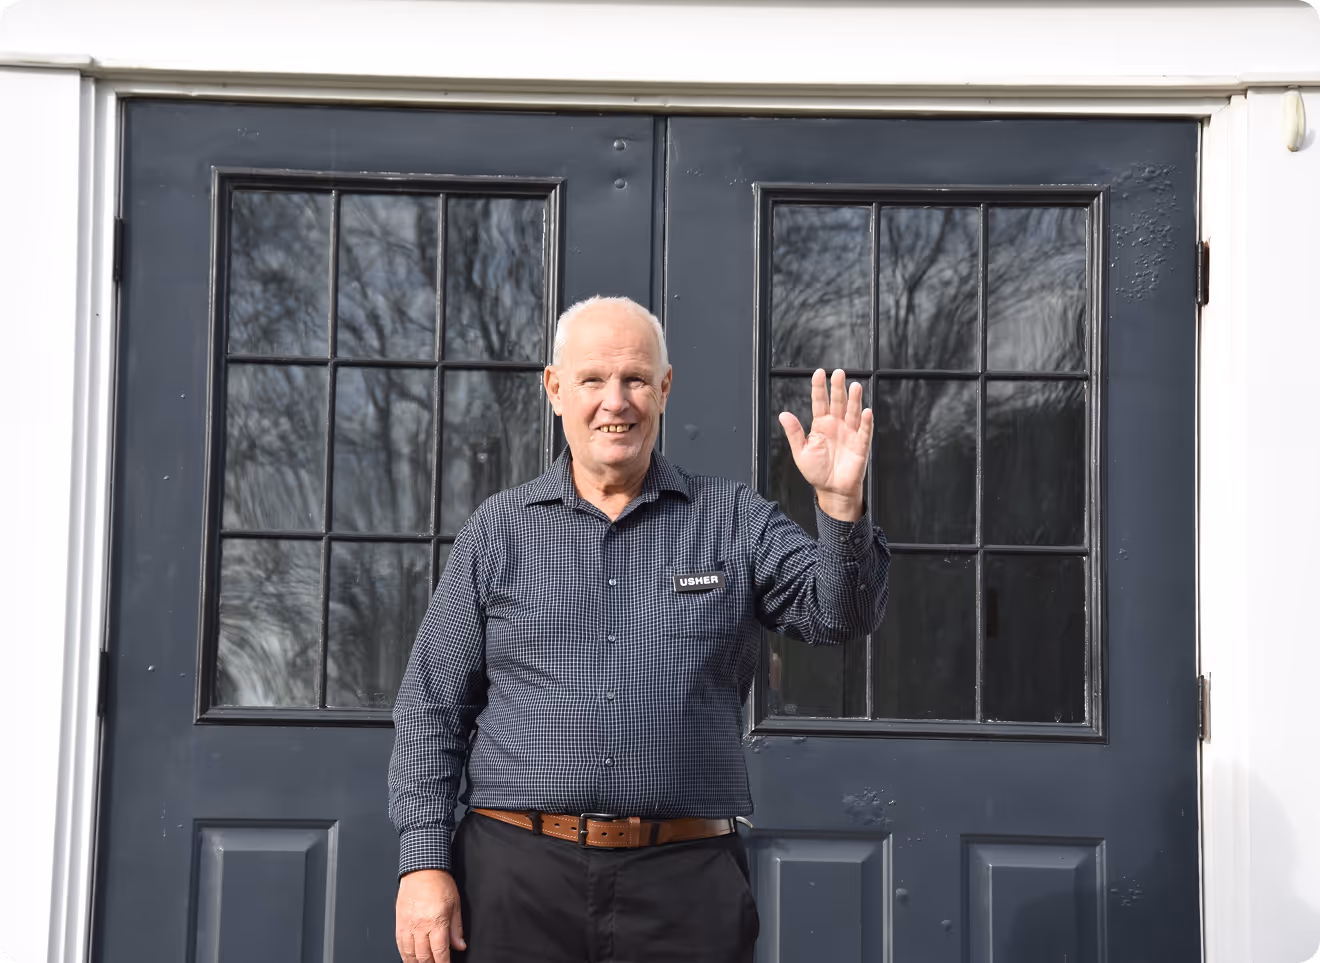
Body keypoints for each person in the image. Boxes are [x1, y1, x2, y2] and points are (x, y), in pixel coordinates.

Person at [389, 295, 890, 963]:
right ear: (555, 388)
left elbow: (840, 615)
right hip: (514, 879)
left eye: (635, 379)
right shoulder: (497, 531)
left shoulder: (733, 520)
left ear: (665, 388)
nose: (615, 401)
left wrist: (840, 505)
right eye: (593, 380)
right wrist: (424, 862)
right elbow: (431, 707)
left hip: (686, 887)